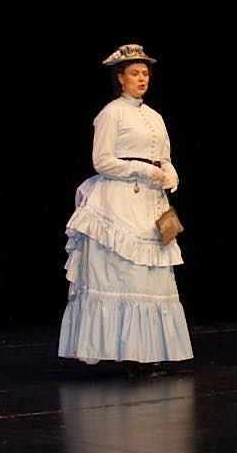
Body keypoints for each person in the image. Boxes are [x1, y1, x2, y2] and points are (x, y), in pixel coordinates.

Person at [58, 43, 193, 378]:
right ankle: (131, 356)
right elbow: (102, 161)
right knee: (126, 274)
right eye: (134, 73)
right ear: (120, 78)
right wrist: (141, 169)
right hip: (120, 201)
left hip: (151, 202)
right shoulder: (111, 113)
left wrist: (170, 171)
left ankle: (150, 353)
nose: (141, 78)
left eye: (145, 73)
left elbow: (164, 156)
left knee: (153, 280)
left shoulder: (155, 117)